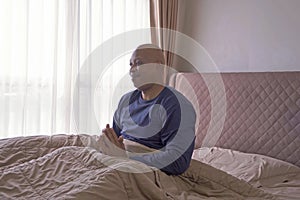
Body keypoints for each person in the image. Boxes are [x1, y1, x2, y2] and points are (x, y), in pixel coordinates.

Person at [100, 44, 196, 175]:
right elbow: (116, 144)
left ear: (158, 66)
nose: (131, 70)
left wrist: (127, 158)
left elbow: (178, 161)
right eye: (131, 65)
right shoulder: (125, 100)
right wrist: (107, 143)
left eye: (138, 63)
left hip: (142, 171)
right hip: (117, 163)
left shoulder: (177, 106)